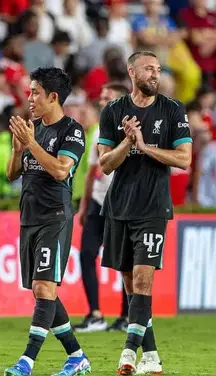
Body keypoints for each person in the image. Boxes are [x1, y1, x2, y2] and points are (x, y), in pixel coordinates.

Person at [98, 51, 192, 376]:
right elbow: (105, 164)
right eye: (149, 68)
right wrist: (127, 142)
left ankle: (128, 352)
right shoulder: (112, 110)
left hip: (153, 207)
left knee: (142, 278)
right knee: (130, 284)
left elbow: (184, 159)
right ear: (132, 72)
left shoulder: (172, 109)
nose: (155, 73)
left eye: (158, 69)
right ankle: (150, 354)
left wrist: (144, 144)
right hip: (119, 206)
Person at [4, 67, 91, 376]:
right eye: (29, 92)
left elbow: (60, 171)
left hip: (55, 217)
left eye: (35, 93)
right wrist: (17, 150)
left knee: (43, 287)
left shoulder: (72, 131)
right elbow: (12, 175)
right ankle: (77, 355)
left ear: (53, 97)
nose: (29, 99)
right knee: (44, 291)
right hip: (29, 218)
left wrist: (31, 144)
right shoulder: (33, 129)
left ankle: (27, 360)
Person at [74, 81, 130, 333]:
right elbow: (91, 173)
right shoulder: (99, 131)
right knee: (86, 254)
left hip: (122, 204)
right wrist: (85, 207)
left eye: (107, 98)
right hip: (99, 200)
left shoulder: (133, 130)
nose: (101, 102)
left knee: (124, 261)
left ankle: (127, 316)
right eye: (101, 97)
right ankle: (95, 314)